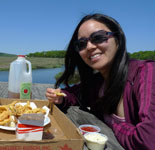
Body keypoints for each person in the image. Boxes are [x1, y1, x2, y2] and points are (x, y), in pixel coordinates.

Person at [46, 13, 155, 150]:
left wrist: (113, 123)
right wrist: (61, 98)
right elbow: (74, 93)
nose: (90, 47)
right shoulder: (98, 83)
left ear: (118, 39)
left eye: (98, 37)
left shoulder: (145, 72)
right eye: (82, 44)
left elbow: (148, 140)